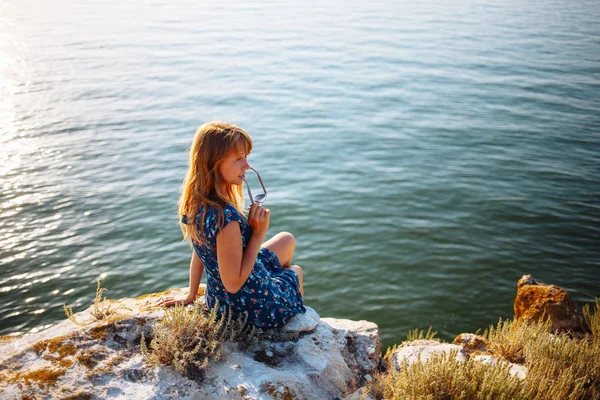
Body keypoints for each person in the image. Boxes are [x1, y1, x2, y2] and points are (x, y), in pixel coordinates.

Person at [161, 122, 305, 328]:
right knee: (296, 271)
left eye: (246, 157)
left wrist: (191, 295)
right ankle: (288, 316)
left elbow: (199, 252)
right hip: (250, 310)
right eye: (239, 159)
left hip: (220, 302)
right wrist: (258, 234)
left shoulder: (195, 205)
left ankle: (272, 282)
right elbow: (233, 283)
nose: (246, 165)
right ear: (214, 163)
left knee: (287, 239)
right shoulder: (226, 218)